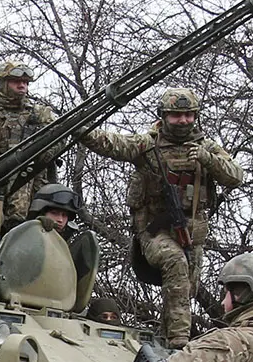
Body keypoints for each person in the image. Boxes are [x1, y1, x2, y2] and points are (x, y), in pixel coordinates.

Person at [81, 87, 244, 346]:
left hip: (192, 235)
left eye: (189, 116)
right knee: (175, 262)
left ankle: (166, 343)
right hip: (155, 232)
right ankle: (180, 341)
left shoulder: (206, 147)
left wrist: (207, 159)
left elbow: (236, 175)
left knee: (183, 291)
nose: (183, 121)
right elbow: (113, 144)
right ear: (164, 116)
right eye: (176, 116)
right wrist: (81, 130)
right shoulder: (148, 144)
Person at [0, 58, 58, 226]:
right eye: (16, 81)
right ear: (3, 83)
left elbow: (58, 134)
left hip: (31, 178)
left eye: (25, 82)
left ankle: (17, 224)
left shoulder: (38, 113)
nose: (22, 85)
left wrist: (45, 153)